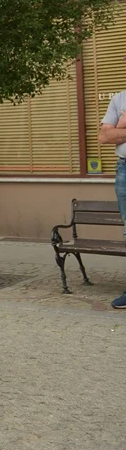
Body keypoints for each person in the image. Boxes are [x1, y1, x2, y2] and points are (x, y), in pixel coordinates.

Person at [99, 87, 126, 309]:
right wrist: (116, 128)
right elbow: (104, 136)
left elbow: (114, 133)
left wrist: (122, 126)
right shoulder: (119, 99)